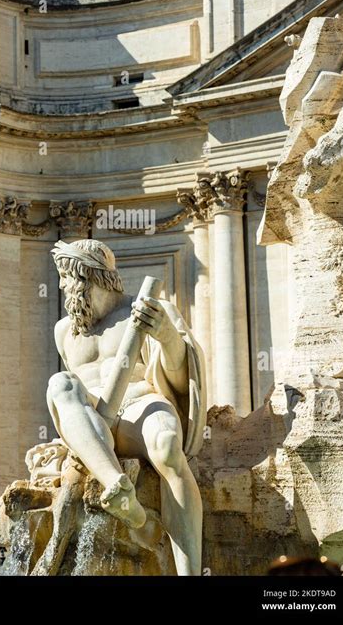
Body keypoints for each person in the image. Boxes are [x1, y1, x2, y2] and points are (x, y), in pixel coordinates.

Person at [47, 238, 206, 576]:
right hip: (92, 424)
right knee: (60, 384)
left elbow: (181, 382)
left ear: (84, 277)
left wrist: (167, 336)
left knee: (167, 449)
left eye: (64, 277)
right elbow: (72, 401)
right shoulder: (65, 330)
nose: (60, 286)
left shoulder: (150, 310)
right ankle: (119, 491)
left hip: (140, 406)